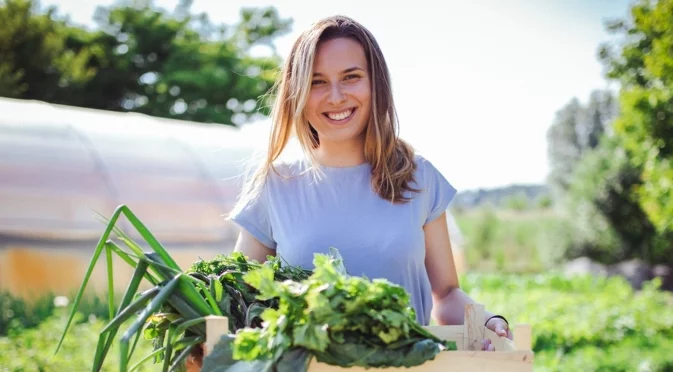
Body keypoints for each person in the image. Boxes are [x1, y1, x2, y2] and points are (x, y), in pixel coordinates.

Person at [229, 14, 511, 352]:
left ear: (375, 83)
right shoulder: (275, 185)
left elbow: (446, 294)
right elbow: (239, 300)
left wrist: (484, 320)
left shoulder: (418, 177)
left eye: (351, 77)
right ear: (297, 91)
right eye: (317, 81)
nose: (335, 97)